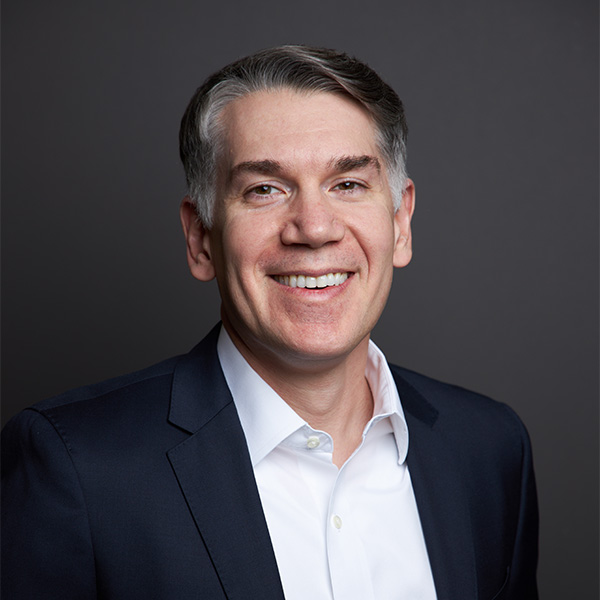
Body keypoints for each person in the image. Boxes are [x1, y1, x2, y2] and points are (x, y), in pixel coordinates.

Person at [1, 46, 538, 599]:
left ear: (400, 223)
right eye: (265, 189)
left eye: (348, 184)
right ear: (200, 237)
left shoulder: (488, 449)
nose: (313, 227)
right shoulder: (77, 468)